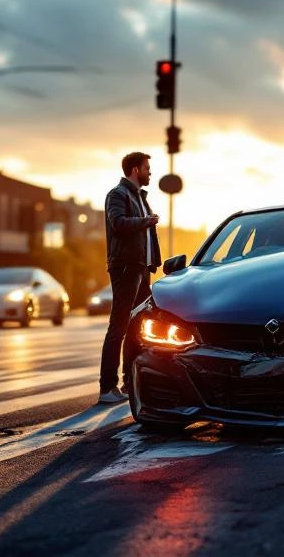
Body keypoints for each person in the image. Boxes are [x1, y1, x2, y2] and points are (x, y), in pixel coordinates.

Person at [98, 151, 161, 404]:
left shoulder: (140, 198)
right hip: (125, 267)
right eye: (147, 168)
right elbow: (118, 223)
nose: (150, 172)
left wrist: (152, 263)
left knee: (137, 326)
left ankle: (128, 383)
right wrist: (145, 221)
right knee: (119, 325)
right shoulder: (118, 194)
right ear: (135, 169)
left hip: (141, 268)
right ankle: (107, 387)